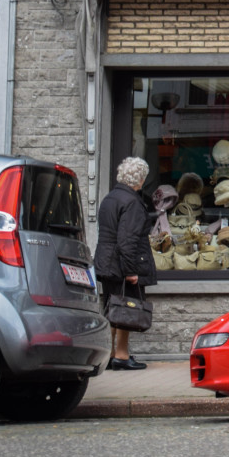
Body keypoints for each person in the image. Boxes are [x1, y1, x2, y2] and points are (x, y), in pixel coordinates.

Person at [95, 156, 157, 370]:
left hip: (107, 263)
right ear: (140, 180)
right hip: (122, 265)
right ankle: (121, 355)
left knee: (113, 308)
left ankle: (111, 354)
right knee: (125, 309)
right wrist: (131, 271)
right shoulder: (132, 202)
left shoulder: (110, 198)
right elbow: (127, 240)